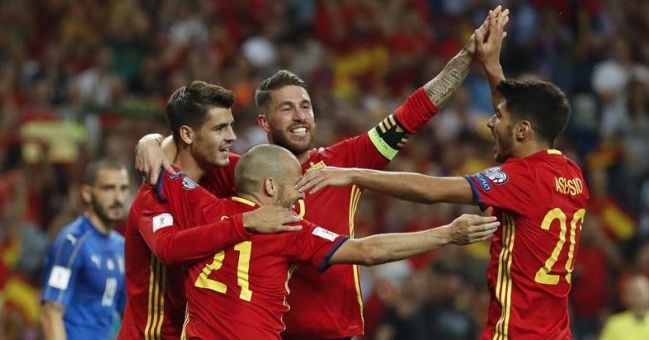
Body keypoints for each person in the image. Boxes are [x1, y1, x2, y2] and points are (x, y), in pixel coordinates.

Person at [135, 7, 510, 337]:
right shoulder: (242, 171)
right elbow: (185, 152)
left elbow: (413, 113)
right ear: (264, 121)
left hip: (334, 332)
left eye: (306, 106)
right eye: (287, 109)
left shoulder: (346, 160)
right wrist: (151, 141)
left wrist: (467, 56)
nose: (300, 115)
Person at [296, 10, 591, 339]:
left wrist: (352, 175)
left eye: (498, 117)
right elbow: (516, 122)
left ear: (522, 130)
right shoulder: (571, 174)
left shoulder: (522, 178)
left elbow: (430, 191)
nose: (491, 123)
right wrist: (491, 65)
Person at [157, 143, 499, 339]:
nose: (299, 194)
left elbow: (163, 168)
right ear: (271, 188)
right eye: (295, 184)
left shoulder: (202, 208)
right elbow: (367, 250)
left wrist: (149, 143)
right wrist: (447, 233)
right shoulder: (289, 228)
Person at [119, 81, 301, 339]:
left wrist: (152, 140)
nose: (232, 136)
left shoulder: (226, 172)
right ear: (188, 135)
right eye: (220, 128)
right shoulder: (155, 191)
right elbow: (168, 248)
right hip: (153, 335)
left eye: (231, 125)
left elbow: (277, 172)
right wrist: (245, 222)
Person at [41, 159, 130, 340]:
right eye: (108, 188)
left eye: (123, 188)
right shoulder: (72, 242)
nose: (118, 198)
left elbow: (127, 313)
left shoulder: (122, 246)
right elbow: (51, 312)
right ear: (87, 193)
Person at [599, 274, 649, 340]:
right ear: (627, 296)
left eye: (643, 291)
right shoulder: (615, 323)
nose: (639, 296)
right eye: (635, 292)